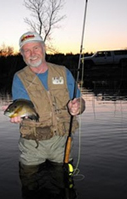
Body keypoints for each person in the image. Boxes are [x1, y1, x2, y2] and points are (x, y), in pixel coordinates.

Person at [10, 31, 85, 168]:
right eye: (27, 50)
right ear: (22, 55)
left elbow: (79, 99)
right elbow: (22, 105)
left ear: (44, 48)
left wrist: (78, 105)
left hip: (62, 142)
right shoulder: (19, 77)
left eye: (36, 48)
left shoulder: (63, 72)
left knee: (63, 183)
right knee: (30, 184)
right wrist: (17, 116)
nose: (32, 54)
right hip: (32, 145)